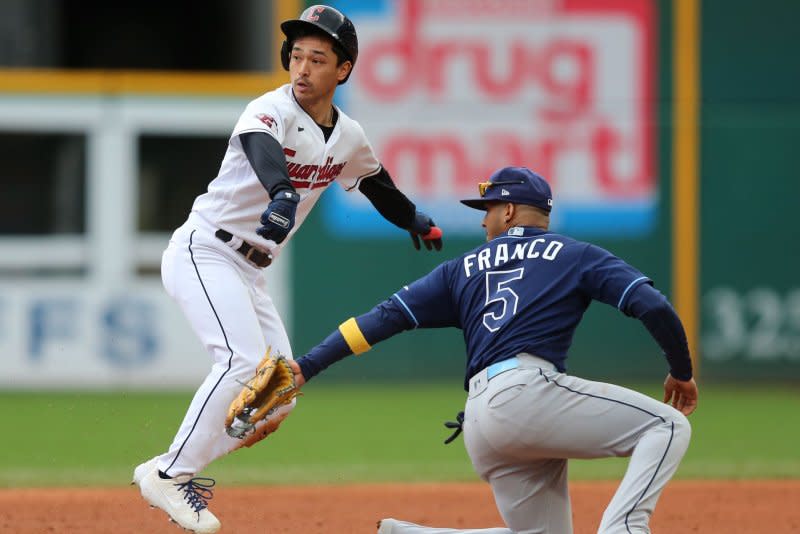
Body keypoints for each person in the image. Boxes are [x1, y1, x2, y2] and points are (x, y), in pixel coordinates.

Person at [130, 5, 443, 533]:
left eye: (317, 59)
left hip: (248, 270)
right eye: (296, 56)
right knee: (241, 361)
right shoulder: (268, 110)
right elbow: (263, 151)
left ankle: (173, 467)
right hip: (205, 250)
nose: (302, 68)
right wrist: (280, 190)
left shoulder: (347, 135)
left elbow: (375, 182)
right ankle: (170, 472)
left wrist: (414, 218)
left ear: (342, 70)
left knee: (278, 388)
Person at [289, 166, 699, 534]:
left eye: (488, 208)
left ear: (509, 211)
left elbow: (378, 321)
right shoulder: (576, 255)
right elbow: (653, 305)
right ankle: (624, 528)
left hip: (483, 422)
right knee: (667, 426)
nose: (484, 218)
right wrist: (681, 371)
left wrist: (307, 365)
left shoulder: (459, 268)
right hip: (527, 396)